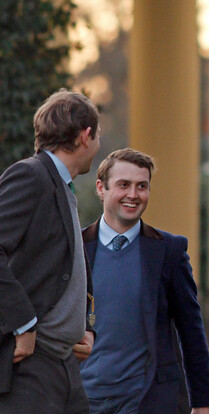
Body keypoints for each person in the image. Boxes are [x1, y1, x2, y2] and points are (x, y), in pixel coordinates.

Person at [79, 148, 209, 414]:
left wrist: (205, 402)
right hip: (80, 398)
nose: (133, 195)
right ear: (101, 188)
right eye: (124, 185)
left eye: (142, 186)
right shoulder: (75, 247)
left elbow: (191, 331)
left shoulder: (169, 251)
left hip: (146, 400)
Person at [0, 89, 99, 413]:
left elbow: (64, 264)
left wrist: (85, 326)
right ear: (86, 136)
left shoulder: (61, 184)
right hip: (31, 364)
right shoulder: (31, 175)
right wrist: (24, 324)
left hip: (64, 364)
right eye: (96, 137)